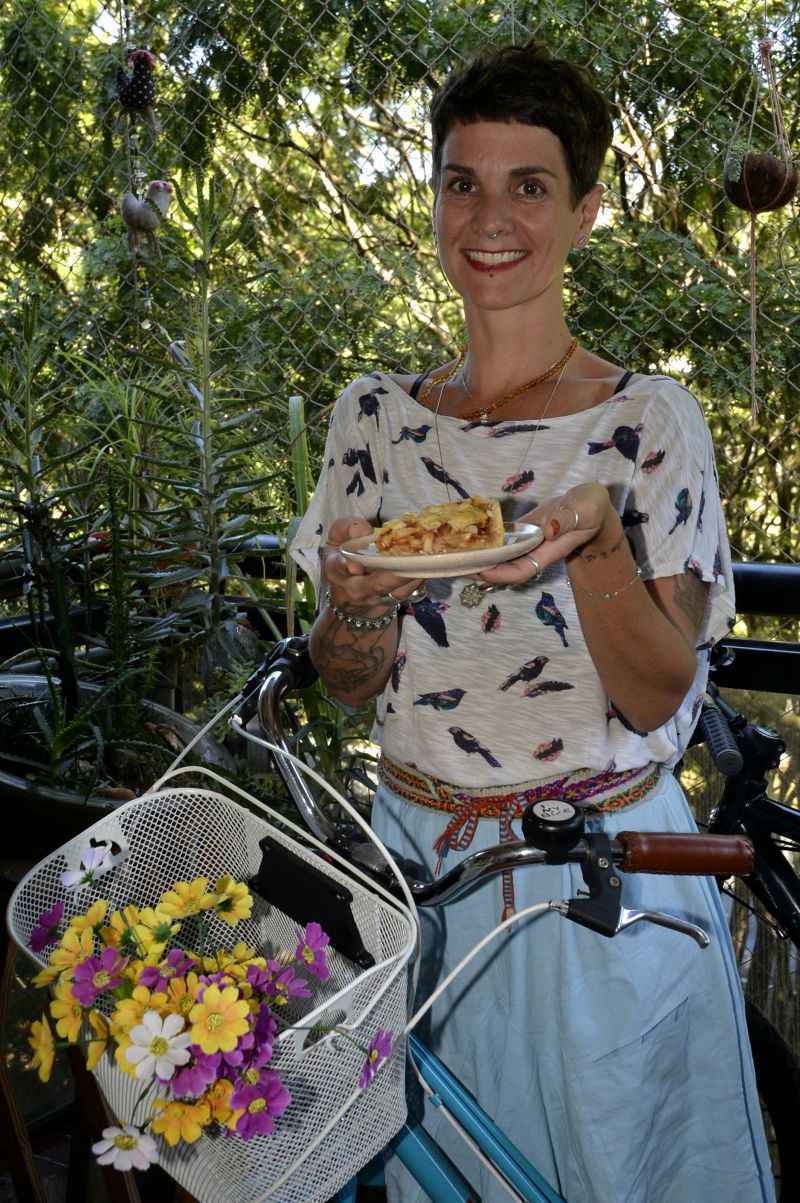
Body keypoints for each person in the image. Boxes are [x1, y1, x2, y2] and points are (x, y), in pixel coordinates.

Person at [290, 40, 774, 1203]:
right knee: (442, 1169)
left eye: (527, 185)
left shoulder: (649, 421)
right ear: (434, 201)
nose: (488, 218)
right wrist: (355, 611)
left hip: (594, 880)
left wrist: (599, 543)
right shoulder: (371, 421)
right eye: (463, 182)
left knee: (615, 1164)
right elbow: (348, 682)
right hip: (416, 870)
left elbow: (659, 695)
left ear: (583, 211)